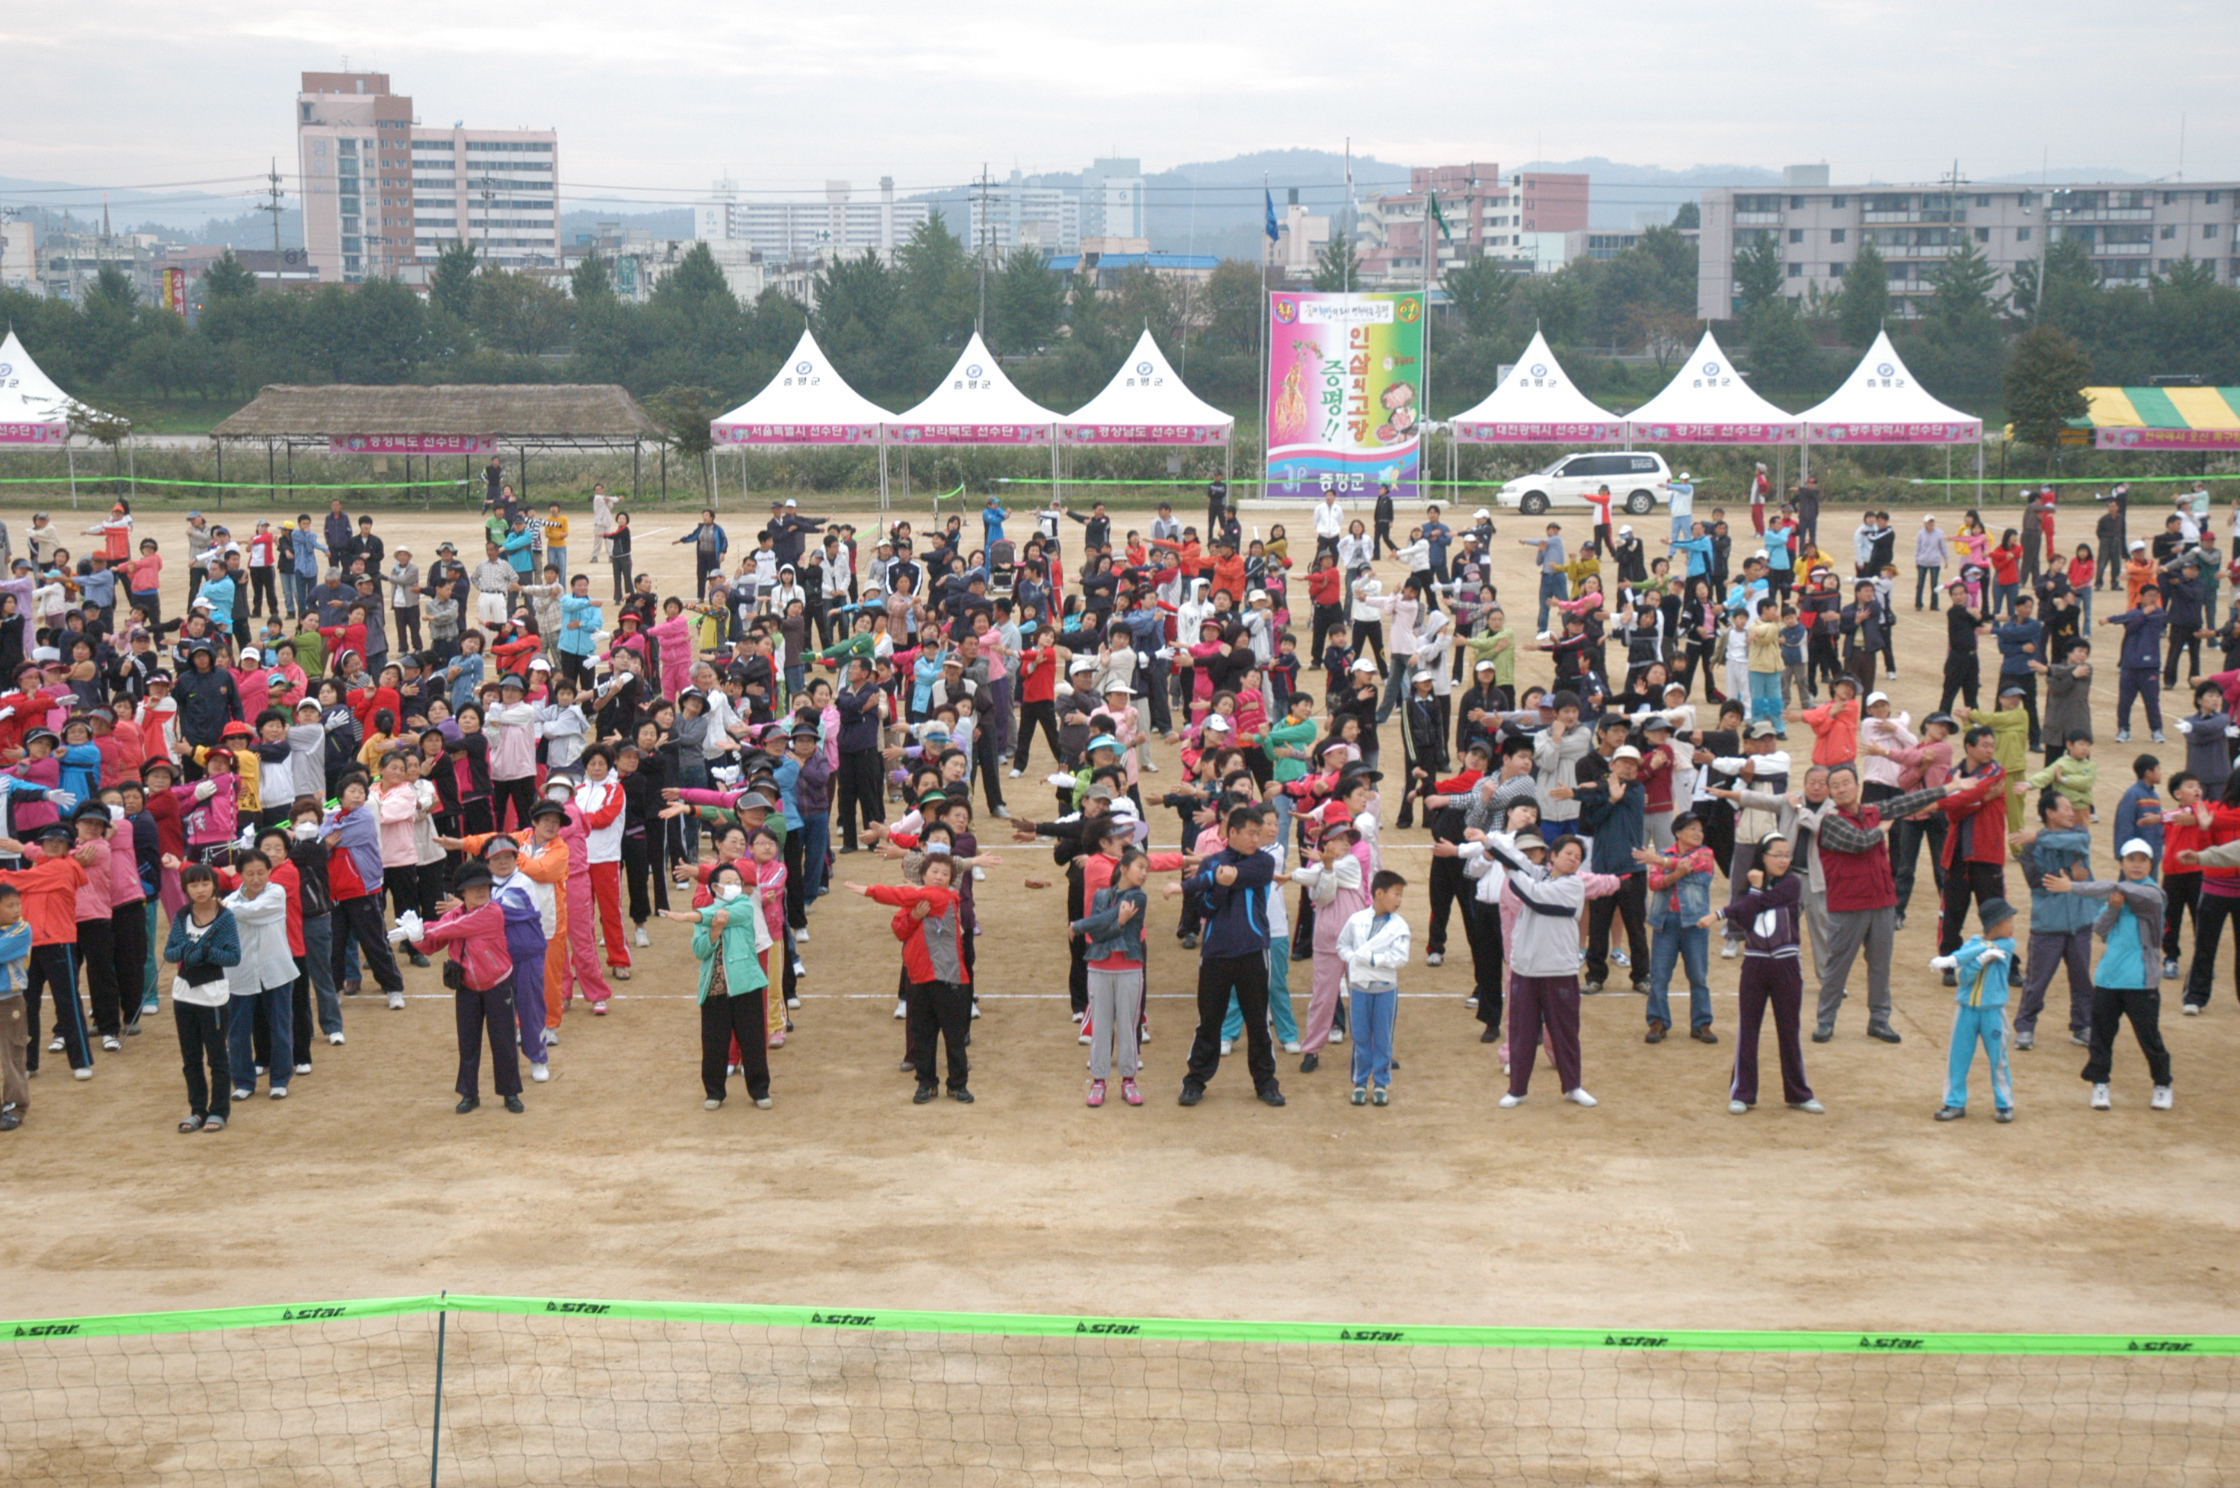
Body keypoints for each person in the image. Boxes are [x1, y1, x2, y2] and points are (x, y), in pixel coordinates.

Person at [1483, 831, 1623, 1108]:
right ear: (1553, 856)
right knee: (1521, 1033)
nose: (1573, 859)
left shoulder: (1573, 885)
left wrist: (1511, 871)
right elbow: (1517, 859)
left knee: (1565, 1032)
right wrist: (1487, 841)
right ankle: (1517, 1090)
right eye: (1568, 854)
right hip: (1525, 968)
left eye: (1578, 857)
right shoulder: (1538, 875)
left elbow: (1536, 897)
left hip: (1559, 970)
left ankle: (1573, 1086)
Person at [2046, 838, 2174, 1112]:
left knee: (2149, 1037)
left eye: (2142, 860)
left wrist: (2074, 887)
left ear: (2151, 865)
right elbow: (2100, 929)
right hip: (2108, 978)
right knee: (2101, 1037)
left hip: (2141, 981)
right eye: (2131, 860)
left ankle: (2162, 1084)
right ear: (2122, 863)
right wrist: (2114, 907)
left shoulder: (2153, 894)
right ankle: (2100, 1084)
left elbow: (2118, 889)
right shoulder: (2115, 896)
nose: (2137, 865)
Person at [1178, 803, 1284, 1108]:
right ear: (1233, 832)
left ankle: (1266, 1083)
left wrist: (1221, 878)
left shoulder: (1263, 862)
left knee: (1258, 1022)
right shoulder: (1212, 862)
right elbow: (1203, 908)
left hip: (1253, 952)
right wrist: (1220, 886)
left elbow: (1238, 875)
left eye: (1259, 833)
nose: (1256, 839)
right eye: (1251, 833)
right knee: (1209, 1022)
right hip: (1216, 954)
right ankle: (1194, 1082)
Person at [848, 847, 972, 1104]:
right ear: (923, 875)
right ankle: (928, 1084)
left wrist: (870, 890)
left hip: (947, 979)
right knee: (924, 1036)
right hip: (920, 979)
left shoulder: (943, 896)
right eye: (934, 871)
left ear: (950, 879)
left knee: (952, 1037)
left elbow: (901, 895)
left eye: (945, 873)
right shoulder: (915, 901)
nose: (939, 876)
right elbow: (900, 930)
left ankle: (956, 1084)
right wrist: (915, 916)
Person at [664, 861, 773, 1111]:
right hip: (714, 987)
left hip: (745, 984)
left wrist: (689, 917)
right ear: (714, 887)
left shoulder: (744, 905)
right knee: (714, 1044)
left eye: (737, 882)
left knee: (753, 1041)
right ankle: (714, 1091)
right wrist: (714, 931)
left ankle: (760, 1090)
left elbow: (728, 915)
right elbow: (700, 950)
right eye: (728, 882)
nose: (734, 886)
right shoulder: (706, 914)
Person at [163, 863, 240, 1132]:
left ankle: (218, 1111)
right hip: (184, 995)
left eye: (205, 883)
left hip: (213, 997)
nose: (200, 889)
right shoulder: (182, 915)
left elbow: (233, 956)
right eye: (194, 885)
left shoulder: (225, 918)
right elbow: (170, 953)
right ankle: (197, 1110)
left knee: (217, 1058)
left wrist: (205, 952)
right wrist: (191, 949)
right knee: (190, 1059)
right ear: (185, 889)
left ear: (214, 885)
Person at [1072, 846, 1151, 1108]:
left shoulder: (1139, 897)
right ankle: (1099, 1080)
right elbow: (1098, 932)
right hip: (1100, 968)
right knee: (1102, 1027)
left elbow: (1100, 924)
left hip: (1128, 968)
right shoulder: (1101, 895)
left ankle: (1128, 1079)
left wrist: (1082, 925)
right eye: (1141, 867)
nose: (1145, 873)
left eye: (1147, 869)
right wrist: (1115, 923)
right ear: (1124, 869)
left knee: (1128, 1026)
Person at [1930, 899, 2019, 1123]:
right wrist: (1978, 961)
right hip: (1966, 1010)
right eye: (2009, 921)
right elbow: (1962, 977)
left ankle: (2004, 1104)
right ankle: (1954, 1102)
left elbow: (1984, 952)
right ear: (1996, 923)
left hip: (1993, 1012)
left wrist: (1956, 958)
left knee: (1998, 1059)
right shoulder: (1973, 945)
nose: (2012, 926)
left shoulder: (2006, 944)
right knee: (1958, 1058)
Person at [1637, 811, 1717, 1044]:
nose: (1698, 833)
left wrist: (1663, 864)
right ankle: (1659, 1021)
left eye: (1700, 829)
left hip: (1694, 924)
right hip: (1668, 921)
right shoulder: (1664, 854)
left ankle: (1701, 1023)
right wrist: (1678, 873)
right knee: (1660, 977)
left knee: (1698, 976)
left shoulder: (1704, 853)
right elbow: (1654, 883)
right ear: (1678, 832)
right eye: (1692, 828)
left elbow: (1688, 865)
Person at [1335, 869, 1410, 1106]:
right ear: (1379, 893)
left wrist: (1372, 959)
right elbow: (1342, 945)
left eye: (1400, 894)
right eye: (1396, 894)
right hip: (1359, 987)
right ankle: (1359, 1082)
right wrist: (1353, 958)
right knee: (1360, 1037)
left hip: (1385, 988)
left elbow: (1400, 957)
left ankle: (1380, 1083)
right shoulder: (1356, 920)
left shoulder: (1399, 926)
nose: (1399, 900)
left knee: (1383, 1039)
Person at [0, 885, 27, 1131]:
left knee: (12, 1056)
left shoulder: (21, 929)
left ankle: (15, 1106)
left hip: (9, 1002)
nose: (17, 909)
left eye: (17, 904)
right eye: (9, 905)